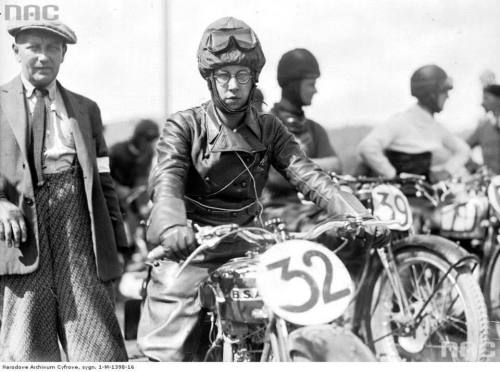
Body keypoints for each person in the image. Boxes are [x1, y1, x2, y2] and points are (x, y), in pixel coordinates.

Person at [137, 16, 390, 362]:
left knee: (290, 314)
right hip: (192, 247)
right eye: (223, 75)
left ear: (253, 78)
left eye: (242, 75)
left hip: (249, 241)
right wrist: (172, 227)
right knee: (170, 334)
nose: (232, 85)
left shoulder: (269, 128)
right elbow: (167, 180)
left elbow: (309, 176)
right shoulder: (184, 125)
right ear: (210, 79)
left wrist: (359, 215)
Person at [0, 20, 128, 361]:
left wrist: (118, 241)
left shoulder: (86, 109)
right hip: (22, 238)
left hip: (80, 233)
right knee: (26, 349)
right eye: (33, 47)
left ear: (63, 54)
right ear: (16, 52)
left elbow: (103, 179)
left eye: (51, 48)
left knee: (98, 346)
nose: (43, 57)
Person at [263, 48, 342, 232]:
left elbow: (336, 164)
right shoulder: (265, 128)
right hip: (275, 212)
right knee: (331, 232)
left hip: (310, 209)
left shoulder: (314, 129)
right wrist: (315, 168)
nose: (315, 90)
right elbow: (274, 176)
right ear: (293, 85)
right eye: (311, 84)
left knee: (352, 225)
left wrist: (294, 165)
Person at [358, 64, 470, 183]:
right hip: (401, 196)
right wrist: (393, 175)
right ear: (431, 94)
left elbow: (463, 150)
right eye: (443, 91)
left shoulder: (436, 127)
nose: (447, 96)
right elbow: (367, 147)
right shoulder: (400, 121)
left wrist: (446, 171)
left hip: (422, 194)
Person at [109, 119, 159, 259]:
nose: (151, 144)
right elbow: (103, 177)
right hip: (113, 201)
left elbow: (142, 178)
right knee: (121, 239)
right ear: (139, 137)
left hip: (133, 200)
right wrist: (118, 189)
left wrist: (143, 202)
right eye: (149, 140)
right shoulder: (116, 151)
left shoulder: (148, 153)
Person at [467, 84, 500, 174]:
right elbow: (463, 148)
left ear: (498, 99)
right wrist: (475, 168)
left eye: (486, 98)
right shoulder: (483, 127)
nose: (482, 103)